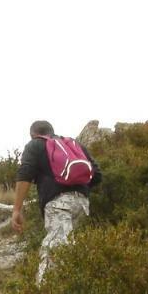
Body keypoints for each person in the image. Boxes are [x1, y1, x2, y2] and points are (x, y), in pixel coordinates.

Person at [11, 120, 102, 283]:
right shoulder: (74, 145)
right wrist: (78, 190)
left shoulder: (36, 145)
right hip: (82, 205)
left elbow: (25, 173)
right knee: (73, 251)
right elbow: (97, 175)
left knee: (53, 251)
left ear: (33, 134)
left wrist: (16, 209)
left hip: (58, 204)